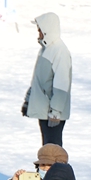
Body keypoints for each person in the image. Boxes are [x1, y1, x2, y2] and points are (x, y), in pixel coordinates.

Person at [23, 13, 72, 146]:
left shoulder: (59, 51)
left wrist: (55, 112)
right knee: (47, 148)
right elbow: (38, 80)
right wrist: (28, 100)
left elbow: (62, 84)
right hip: (44, 110)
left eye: (40, 29)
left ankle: (58, 168)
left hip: (53, 112)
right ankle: (47, 168)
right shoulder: (45, 49)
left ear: (47, 29)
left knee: (53, 149)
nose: (38, 32)